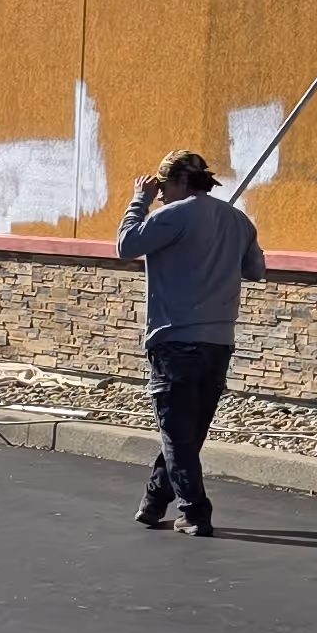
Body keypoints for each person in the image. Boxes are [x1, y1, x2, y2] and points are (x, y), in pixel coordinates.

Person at [115, 147, 264, 536]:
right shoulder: (238, 220)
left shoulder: (170, 215)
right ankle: (152, 503)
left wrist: (138, 202)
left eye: (163, 186)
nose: (159, 194)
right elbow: (256, 270)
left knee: (178, 434)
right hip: (219, 341)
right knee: (187, 432)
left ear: (180, 182)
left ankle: (195, 513)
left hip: (175, 339)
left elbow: (126, 245)